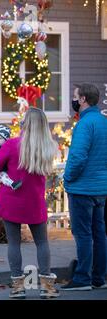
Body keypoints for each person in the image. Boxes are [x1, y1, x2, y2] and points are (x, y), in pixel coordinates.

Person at [0, 108, 60, 299]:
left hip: (12, 201)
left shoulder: (12, 145)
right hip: (35, 202)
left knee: (14, 243)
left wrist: (0, 175)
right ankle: (47, 287)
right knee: (42, 242)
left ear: (25, 124)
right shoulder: (48, 147)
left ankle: (18, 286)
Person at [61, 84, 107, 291]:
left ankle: (82, 278)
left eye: (75, 97)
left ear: (83, 100)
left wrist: (68, 178)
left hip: (83, 189)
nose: (73, 100)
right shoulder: (103, 122)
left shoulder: (84, 124)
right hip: (101, 189)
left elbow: (78, 157)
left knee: (83, 234)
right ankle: (99, 277)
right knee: (100, 233)